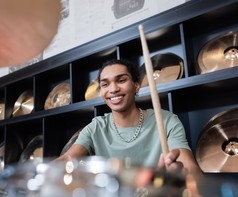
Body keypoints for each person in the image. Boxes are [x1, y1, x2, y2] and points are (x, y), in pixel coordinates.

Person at [57, 59, 200, 173]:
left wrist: (181, 174)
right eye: (105, 84)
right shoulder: (96, 127)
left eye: (121, 80)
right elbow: (66, 160)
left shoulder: (167, 120)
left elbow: (189, 167)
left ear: (136, 85)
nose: (113, 89)